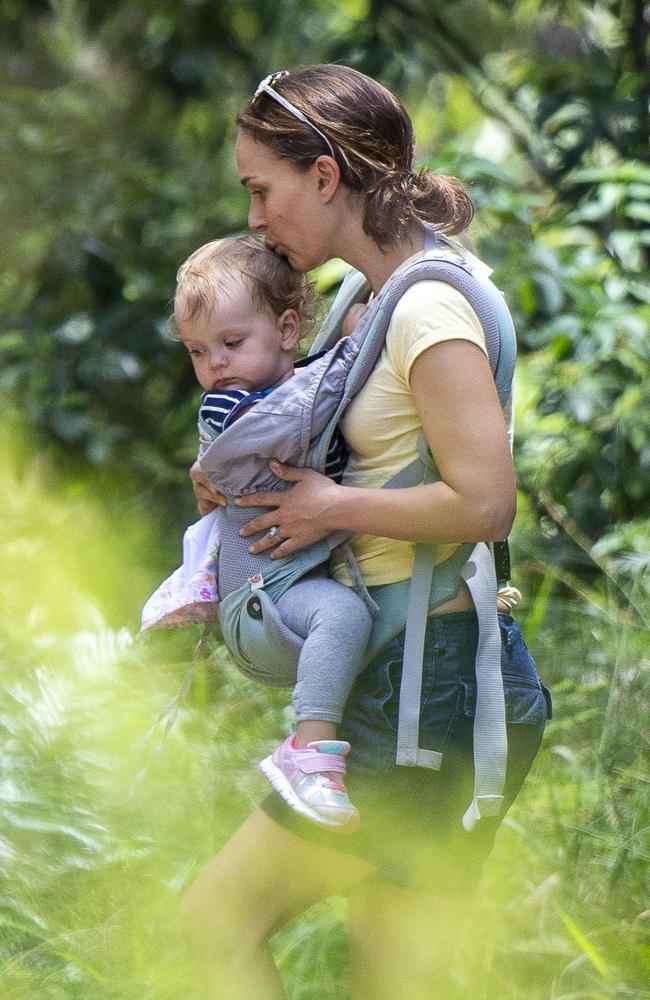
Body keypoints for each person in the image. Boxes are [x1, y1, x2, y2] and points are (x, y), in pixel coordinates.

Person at [181, 65, 551, 1000]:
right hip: (411, 670)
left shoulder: (427, 307)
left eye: (261, 190)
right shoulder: (365, 296)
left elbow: (486, 503)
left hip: (429, 690)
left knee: (211, 927)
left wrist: (326, 509)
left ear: (325, 177)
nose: (255, 219)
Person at [144, 234, 374, 832]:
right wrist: (361, 341)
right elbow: (304, 410)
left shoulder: (283, 381)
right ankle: (310, 754)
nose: (213, 365)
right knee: (343, 616)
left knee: (356, 622)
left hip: (282, 580)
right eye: (197, 351)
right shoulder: (231, 408)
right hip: (263, 596)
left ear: (289, 330)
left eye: (231, 343)